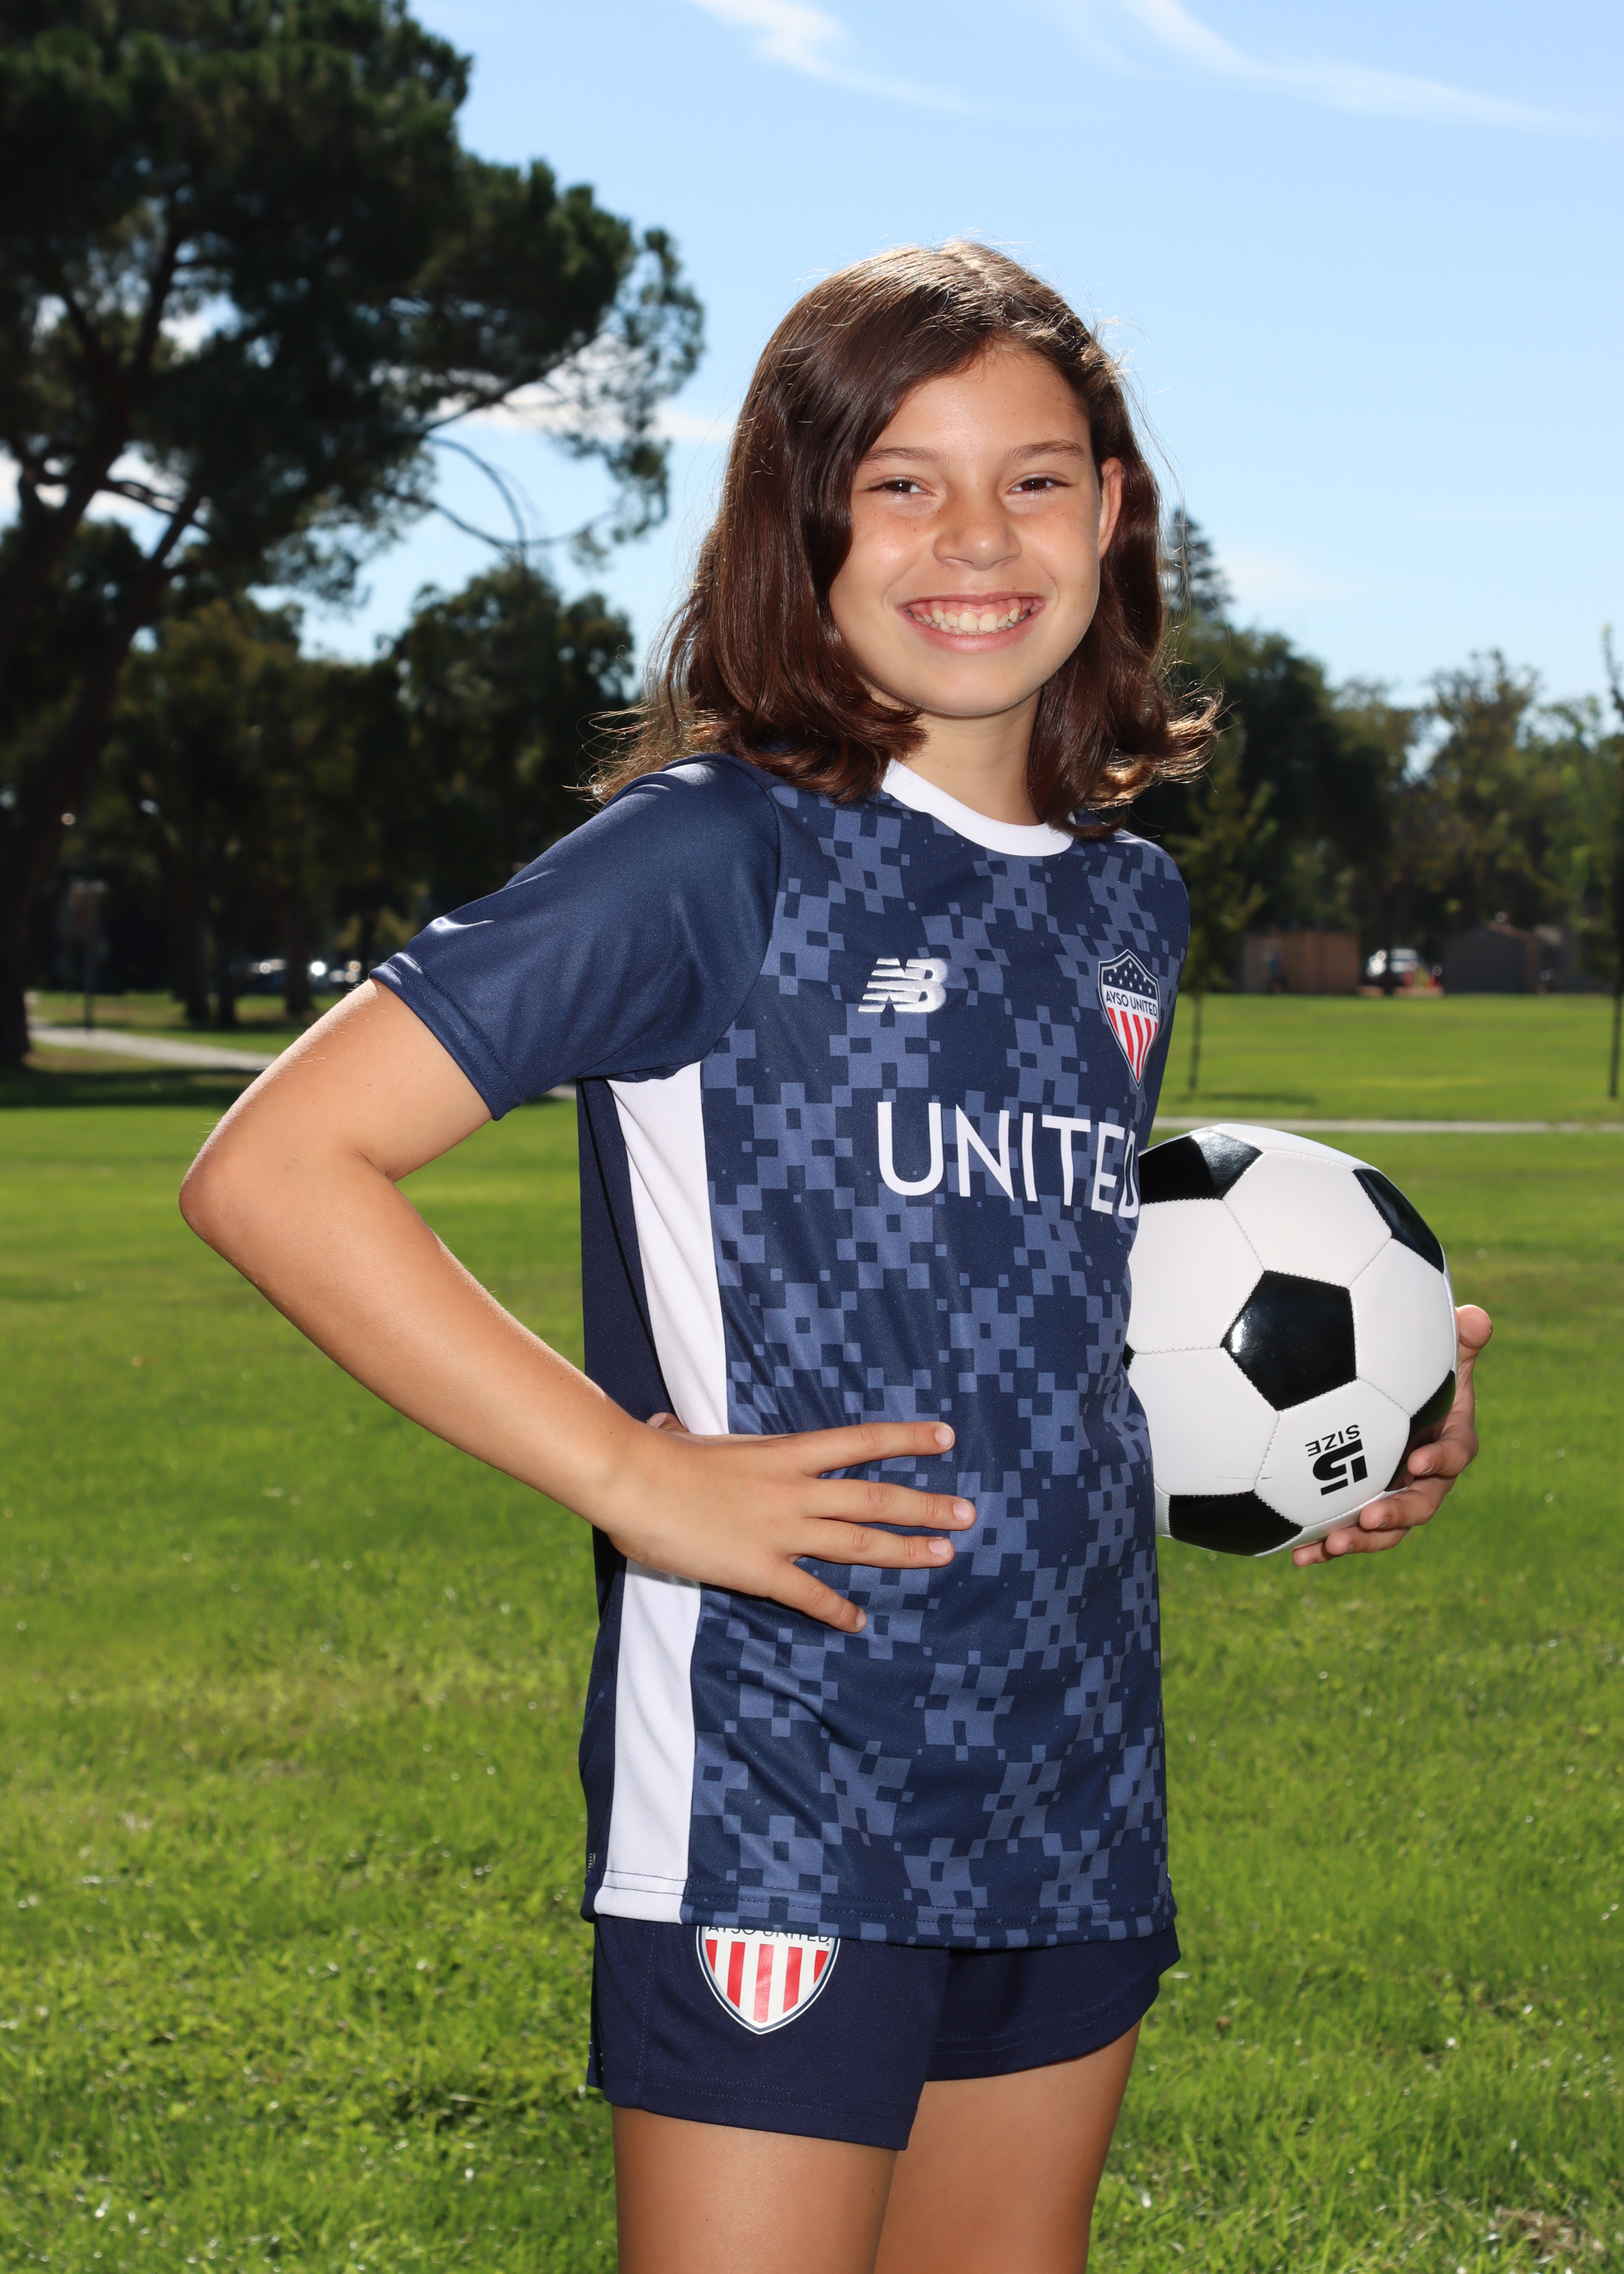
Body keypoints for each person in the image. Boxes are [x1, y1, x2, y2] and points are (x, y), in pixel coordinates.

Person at [179, 243, 1491, 2274]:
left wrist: (1360, 1419)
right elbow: (279, 1164)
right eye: (901, 483)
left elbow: (1064, 1288)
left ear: (1110, 512)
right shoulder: (716, 852)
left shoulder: (1124, 904)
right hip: (779, 1780)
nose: (975, 538)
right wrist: (628, 1469)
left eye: (1032, 480)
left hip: (1072, 1771)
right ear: (805, 521)